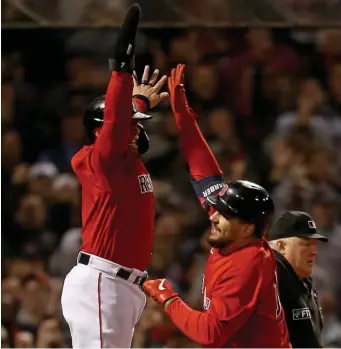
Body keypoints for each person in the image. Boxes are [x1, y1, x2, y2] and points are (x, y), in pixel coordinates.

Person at [143, 64, 290, 348]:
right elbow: (203, 170)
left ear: (247, 228)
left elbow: (210, 334)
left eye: (224, 213)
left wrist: (168, 297)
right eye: (217, 208)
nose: (213, 214)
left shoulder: (246, 265)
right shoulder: (235, 233)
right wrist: (184, 118)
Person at [61, 5, 168, 348]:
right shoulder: (102, 159)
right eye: (132, 123)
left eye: (139, 123)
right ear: (100, 132)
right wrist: (121, 73)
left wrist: (140, 101)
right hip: (102, 282)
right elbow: (115, 123)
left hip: (121, 286)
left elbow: (121, 120)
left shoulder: (126, 161)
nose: (137, 130)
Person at [267, 211, 328, 348]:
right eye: (306, 244)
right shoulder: (270, 279)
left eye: (315, 244)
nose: (314, 251)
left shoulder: (301, 279)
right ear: (281, 246)